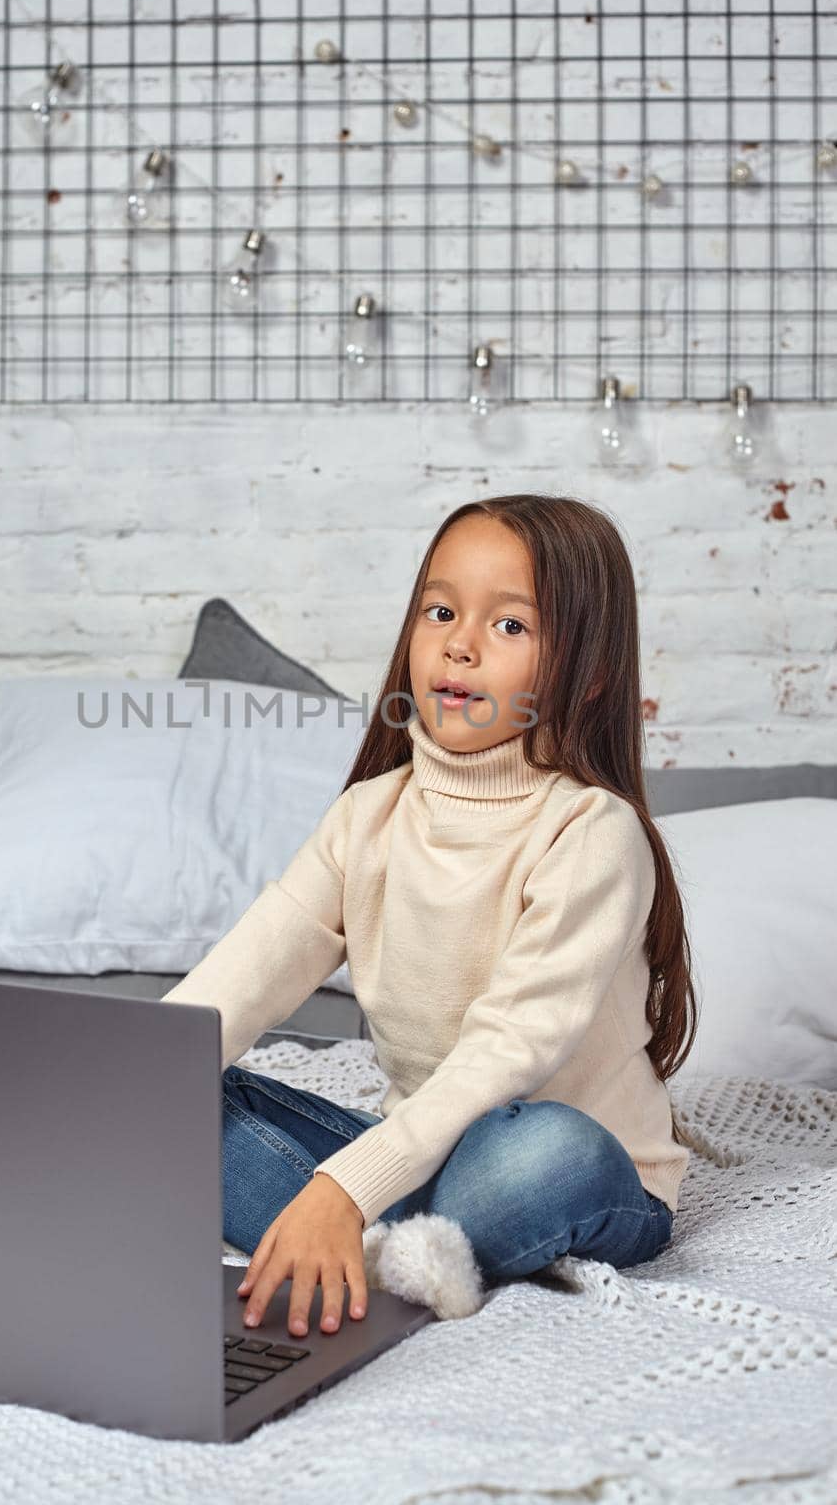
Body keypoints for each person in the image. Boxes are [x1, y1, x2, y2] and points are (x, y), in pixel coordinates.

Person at [162, 494, 697, 1344]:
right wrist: (112, 1088)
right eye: (440, 611)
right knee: (165, 1096)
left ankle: (357, 1224)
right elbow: (243, 977)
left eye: (510, 626)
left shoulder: (590, 833)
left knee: (539, 1150)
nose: (458, 642)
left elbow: (506, 1053)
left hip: (567, 1167)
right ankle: (391, 1243)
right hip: (413, 1156)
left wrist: (342, 1186)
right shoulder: (367, 815)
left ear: (588, 672)